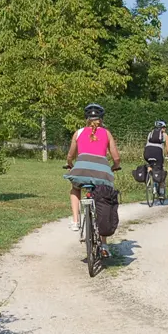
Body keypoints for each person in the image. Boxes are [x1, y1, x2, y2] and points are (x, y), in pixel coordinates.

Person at [64, 103, 121, 256]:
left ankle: (75, 221)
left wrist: (69, 164)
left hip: (81, 169)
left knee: (75, 187)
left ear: (86, 118)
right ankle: (104, 245)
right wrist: (115, 166)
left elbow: (70, 155)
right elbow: (116, 157)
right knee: (102, 199)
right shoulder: (106, 133)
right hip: (102, 172)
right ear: (101, 119)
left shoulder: (78, 132)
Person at [143, 120, 168, 195]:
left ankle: (149, 179)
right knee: (160, 170)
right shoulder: (165, 135)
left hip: (147, 152)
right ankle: (161, 191)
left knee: (150, 165)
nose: (165, 129)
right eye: (164, 127)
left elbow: (147, 144)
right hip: (157, 153)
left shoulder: (150, 134)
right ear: (162, 128)